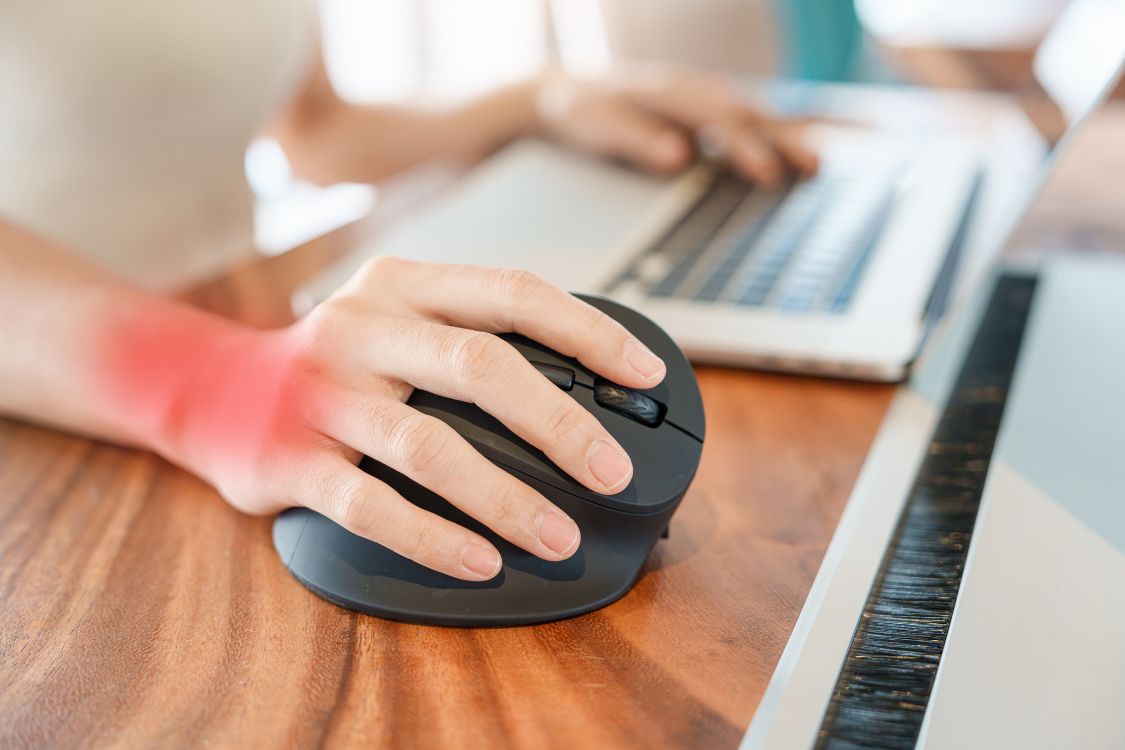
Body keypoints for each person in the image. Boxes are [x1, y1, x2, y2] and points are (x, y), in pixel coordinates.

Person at [0, 1, 814, 582]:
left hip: (259, 319)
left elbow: (318, 129)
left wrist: (539, 96)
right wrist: (214, 384)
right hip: (58, 422)